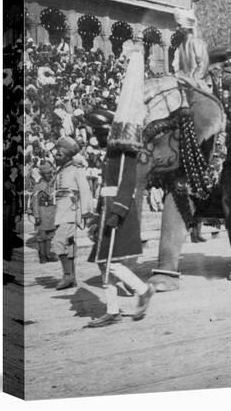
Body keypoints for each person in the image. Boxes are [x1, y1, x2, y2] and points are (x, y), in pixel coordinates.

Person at [86, 39, 155, 327]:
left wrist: (117, 211)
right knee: (104, 263)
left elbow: (128, 184)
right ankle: (112, 310)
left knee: (112, 261)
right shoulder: (110, 152)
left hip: (118, 212)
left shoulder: (123, 151)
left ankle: (142, 290)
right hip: (107, 209)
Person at [52, 136, 93, 290]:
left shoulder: (77, 170)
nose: (56, 156)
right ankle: (72, 277)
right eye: (56, 153)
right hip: (60, 212)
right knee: (68, 245)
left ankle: (67, 275)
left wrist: (86, 212)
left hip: (70, 212)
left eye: (60, 154)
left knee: (59, 242)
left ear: (68, 156)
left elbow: (85, 192)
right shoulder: (60, 170)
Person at [173, 8, 210, 89]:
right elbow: (179, 66)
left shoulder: (196, 42)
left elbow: (202, 65)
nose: (177, 28)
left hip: (198, 84)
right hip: (185, 81)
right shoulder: (181, 44)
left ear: (186, 26)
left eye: (179, 25)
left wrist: (193, 79)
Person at [31, 163, 57, 263]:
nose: (50, 175)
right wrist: (37, 216)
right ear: (42, 175)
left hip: (52, 213)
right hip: (42, 213)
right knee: (41, 236)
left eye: (50, 173)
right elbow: (35, 202)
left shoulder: (52, 185)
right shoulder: (37, 187)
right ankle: (42, 256)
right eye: (47, 174)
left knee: (50, 235)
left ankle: (48, 254)